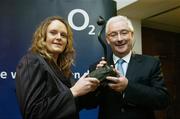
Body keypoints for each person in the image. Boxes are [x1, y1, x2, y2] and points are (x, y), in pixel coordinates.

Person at [15, 16, 100, 119]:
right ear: (43, 37)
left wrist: (95, 82)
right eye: (53, 32)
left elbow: (75, 104)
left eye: (63, 35)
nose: (59, 37)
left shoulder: (63, 69)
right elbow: (32, 113)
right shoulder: (32, 61)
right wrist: (74, 91)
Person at [88, 15, 170, 119]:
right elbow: (89, 104)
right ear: (107, 39)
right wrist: (97, 81)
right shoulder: (96, 67)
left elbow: (163, 100)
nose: (119, 39)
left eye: (124, 33)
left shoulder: (151, 63)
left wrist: (127, 87)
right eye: (113, 34)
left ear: (131, 35)